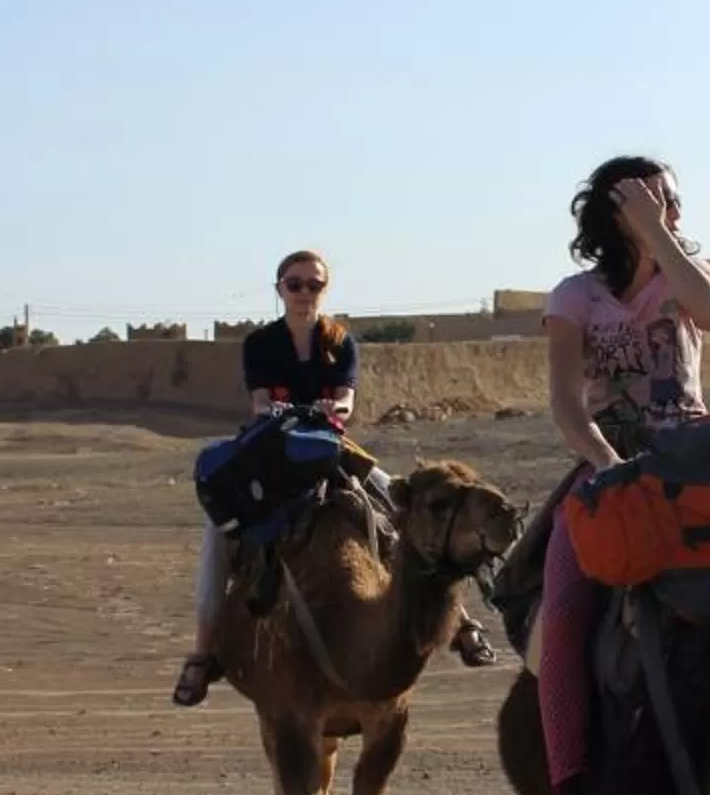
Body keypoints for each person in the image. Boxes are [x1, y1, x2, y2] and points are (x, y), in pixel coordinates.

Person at [172, 251, 496, 705]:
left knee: (402, 508)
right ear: (279, 288)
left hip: (330, 448)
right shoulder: (261, 344)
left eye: (313, 284)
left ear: (325, 289)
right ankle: (203, 653)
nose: (304, 292)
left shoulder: (341, 342)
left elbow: (345, 402)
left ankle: (460, 622)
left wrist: (331, 412)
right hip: (272, 449)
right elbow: (260, 404)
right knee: (217, 535)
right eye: (295, 283)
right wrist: (292, 412)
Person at [537, 157, 710, 795]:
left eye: (673, 199)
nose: (669, 209)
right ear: (610, 211)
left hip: (692, 454)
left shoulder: (691, 272)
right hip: (609, 461)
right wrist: (607, 463)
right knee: (562, 618)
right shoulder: (575, 296)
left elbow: (708, 314)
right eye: (651, 199)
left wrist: (659, 233)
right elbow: (565, 403)